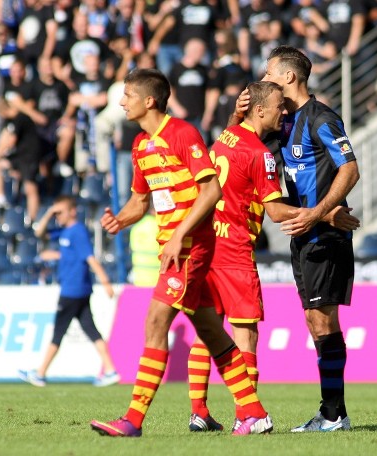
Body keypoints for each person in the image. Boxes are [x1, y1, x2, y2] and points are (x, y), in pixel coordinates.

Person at [91, 68, 273, 437]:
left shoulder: (182, 133)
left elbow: (211, 192)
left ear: (149, 101)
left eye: (126, 95)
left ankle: (133, 420)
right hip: (173, 247)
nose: (121, 102)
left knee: (156, 320)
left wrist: (178, 236)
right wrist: (120, 220)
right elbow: (141, 201)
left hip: (190, 248)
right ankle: (254, 413)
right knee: (210, 330)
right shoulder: (141, 144)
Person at [187, 80, 360, 433]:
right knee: (245, 335)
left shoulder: (228, 135)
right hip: (235, 250)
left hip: (209, 243)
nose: (284, 112)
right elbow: (277, 213)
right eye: (278, 106)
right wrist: (325, 214)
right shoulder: (260, 154)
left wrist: (236, 113)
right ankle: (248, 414)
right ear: (261, 111)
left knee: (208, 330)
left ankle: (199, 411)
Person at [232, 45, 360, 432]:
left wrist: (320, 212)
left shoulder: (321, 118)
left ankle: (335, 415)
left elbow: (350, 169)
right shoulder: (281, 121)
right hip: (301, 233)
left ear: (289, 77)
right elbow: (235, 146)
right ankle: (332, 412)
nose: (264, 77)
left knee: (322, 320)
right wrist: (238, 113)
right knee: (314, 320)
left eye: (269, 71)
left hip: (324, 233)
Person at [18, 195, 119, 387]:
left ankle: (40, 373)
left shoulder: (77, 231)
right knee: (91, 329)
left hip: (73, 289)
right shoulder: (64, 231)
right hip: (77, 289)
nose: (58, 216)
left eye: (60, 212)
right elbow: (40, 233)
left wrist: (105, 281)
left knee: (59, 331)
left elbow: (90, 258)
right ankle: (110, 370)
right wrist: (49, 212)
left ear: (72, 211)